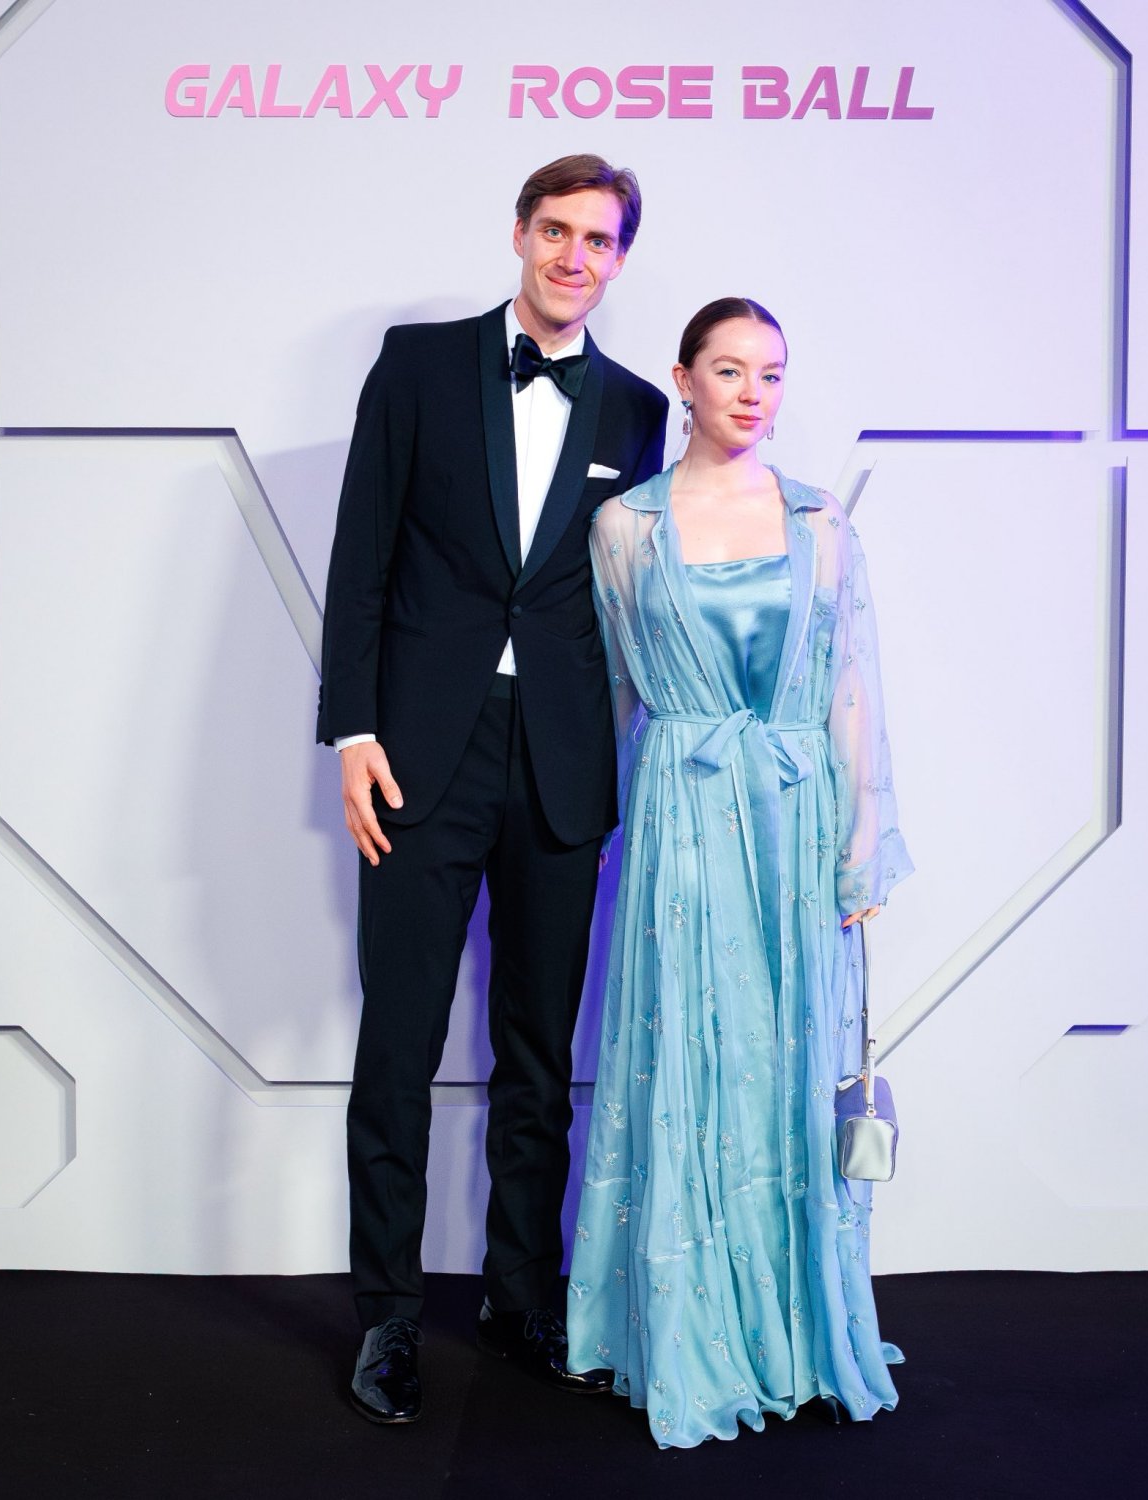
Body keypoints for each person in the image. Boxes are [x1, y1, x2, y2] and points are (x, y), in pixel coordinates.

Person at [316, 155, 668, 1425]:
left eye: (601, 240)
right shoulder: (416, 368)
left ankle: (524, 1300)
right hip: (419, 752)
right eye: (558, 231)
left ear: (620, 260)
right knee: (397, 1041)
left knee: (538, 1047)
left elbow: (635, 595)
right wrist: (351, 730)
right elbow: (362, 551)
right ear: (519, 234)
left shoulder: (636, 410)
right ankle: (389, 1322)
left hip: (566, 755)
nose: (577, 256)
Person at [566, 297, 912, 1447]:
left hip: (797, 816)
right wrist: (604, 825)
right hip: (681, 815)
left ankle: (801, 1328)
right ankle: (687, 1326)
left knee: (787, 1063)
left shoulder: (823, 525)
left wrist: (862, 846)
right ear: (683, 380)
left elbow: (853, 683)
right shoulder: (625, 528)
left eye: (771, 371)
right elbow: (620, 688)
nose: (753, 391)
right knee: (685, 1054)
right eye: (729, 369)